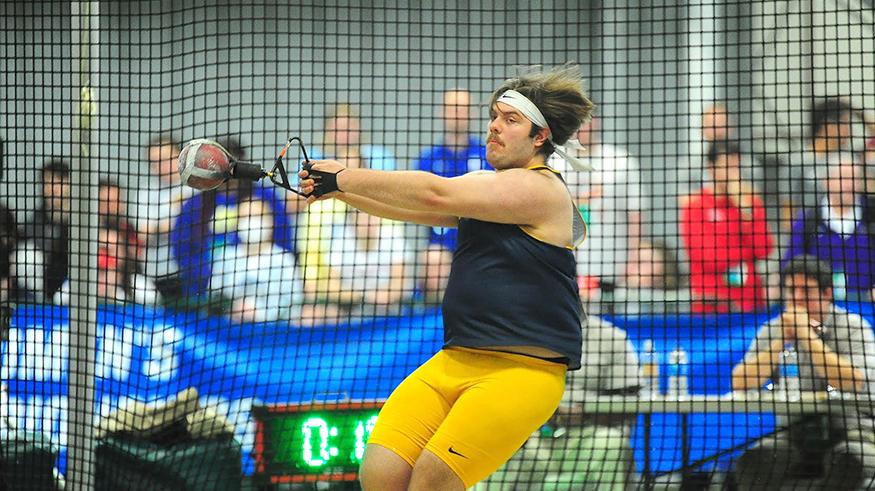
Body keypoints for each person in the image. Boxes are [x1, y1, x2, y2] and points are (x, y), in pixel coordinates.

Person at [300, 65, 594, 490]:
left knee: (431, 482)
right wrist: (336, 192)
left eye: (510, 120)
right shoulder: (485, 186)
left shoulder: (541, 189)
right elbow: (418, 210)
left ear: (541, 137)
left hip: (521, 372)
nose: (494, 127)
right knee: (380, 474)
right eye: (494, 116)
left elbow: (434, 191)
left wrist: (343, 175)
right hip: (456, 360)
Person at [731, 254, 875, 489]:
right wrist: (780, 342)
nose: (797, 299)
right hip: (792, 435)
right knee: (755, 461)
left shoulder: (854, 327)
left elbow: (852, 381)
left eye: (805, 291)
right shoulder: (773, 329)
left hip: (853, 433)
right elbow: (740, 381)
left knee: (849, 462)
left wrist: (806, 335)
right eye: (791, 291)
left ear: (827, 293)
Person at [477, 315, 640, 490]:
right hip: (534, 435)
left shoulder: (612, 337)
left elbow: (629, 401)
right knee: (493, 447)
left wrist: (586, 413)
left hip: (588, 436)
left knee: (612, 444)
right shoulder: (519, 335)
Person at [548, 117, 645, 289]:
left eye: (584, 121)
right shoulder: (553, 160)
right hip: (563, 263)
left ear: (596, 122)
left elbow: (635, 214)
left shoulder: (620, 161)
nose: (580, 128)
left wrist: (634, 259)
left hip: (609, 264)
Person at [414, 89, 491, 301]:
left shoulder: (488, 156)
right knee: (433, 261)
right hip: (441, 245)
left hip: (483, 242)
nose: (458, 113)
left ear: (472, 113)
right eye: (452, 108)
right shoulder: (428, 160)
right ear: (442, 112)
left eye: (463, 108)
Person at [680, 141, 774, 313]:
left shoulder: (750, 202)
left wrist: (745, 210)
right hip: (710, 303)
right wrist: (744, 253)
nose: (733, 173)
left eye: (736, 167)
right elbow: (707, 255)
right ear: (711, 168)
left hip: (749, 300)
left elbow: (764, 249)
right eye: (726, 167)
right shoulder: (695, 206)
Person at [209, 196, 328, 324]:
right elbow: (213, 297)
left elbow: (295, 303)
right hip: (229, 333)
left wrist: (262, 314)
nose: (251, 222)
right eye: (245, 217)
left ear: (270, 222)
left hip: (273, 332)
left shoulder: (284, 259)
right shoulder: (226, 257)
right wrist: (233, 308)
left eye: (258, 216)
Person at [783, 153, 875, 303]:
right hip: (821, 307)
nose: (849, 184)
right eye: (843, 178)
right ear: (826, 181)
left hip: (867, 307)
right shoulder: (808, 221)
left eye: (855, 179)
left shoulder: (871, 216)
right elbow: (791, 266)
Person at [134, 134, 196, 302]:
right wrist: (178, 223)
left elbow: (199, 226)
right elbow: (142, 233)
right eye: (154, 162)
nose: (161, 167)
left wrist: (160, 226)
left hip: (190, 271)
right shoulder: (146, 193)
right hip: (156, 274)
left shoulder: (194, 188)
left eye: (166, 159)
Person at [322, 208, 413, 316]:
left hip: (389, 309)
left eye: (372, 216)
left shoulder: (393, 236)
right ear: (353, 221)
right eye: (363, 217)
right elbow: (331, 286)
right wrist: (363, 296)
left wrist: (384, 296)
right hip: (351, 308)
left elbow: (400, 283)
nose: (369, 221)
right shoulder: (341, 239)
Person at [10, 160, 71, 304]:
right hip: (43, 285)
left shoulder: (81, 219)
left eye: (58, 182)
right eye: (47, 183)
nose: (52, 189)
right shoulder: (37, 219)